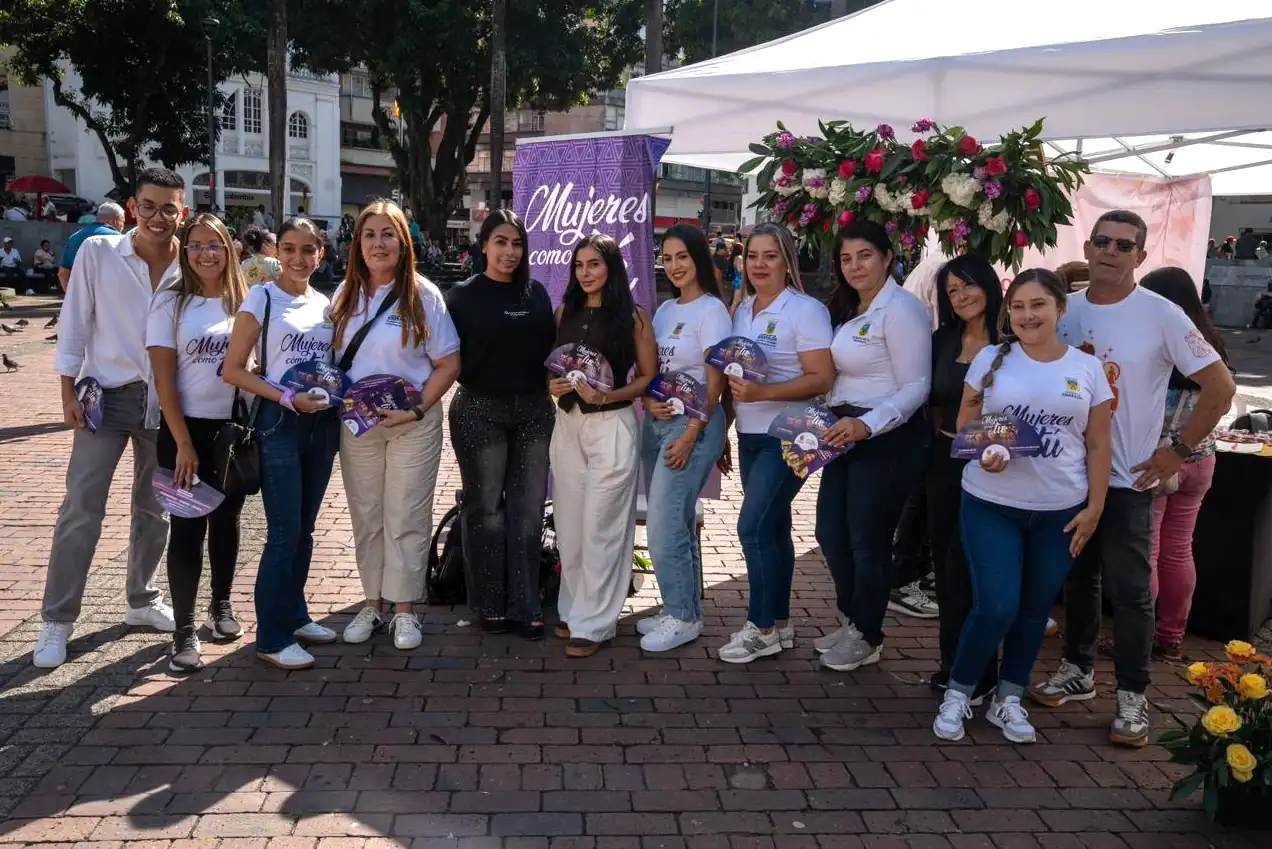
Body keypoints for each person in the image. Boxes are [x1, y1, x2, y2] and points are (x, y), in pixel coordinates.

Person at [1031, 210, 1236, 748]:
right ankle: (1077, 670)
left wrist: (1178, 450)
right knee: (1078, 580)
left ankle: (1132, 696)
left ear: (1140, 257)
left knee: (1130, 590)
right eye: (1102, 241)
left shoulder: (1162, 314)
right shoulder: (1064, 311)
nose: (1110, 251)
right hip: (1068, 475)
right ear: (1089, 246)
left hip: (1128, 479)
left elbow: (1219, 386)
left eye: (1124, 245)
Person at [933, 269, 1112, 744]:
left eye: (1038, 305)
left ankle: (1009, 698)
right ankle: (959, 691)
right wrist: (983, 449)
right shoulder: (992, 357)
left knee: (1033, 611)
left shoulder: (1087, 369)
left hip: (1060, 510)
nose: (1027, 315)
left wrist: (1095, 507)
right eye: (1018, 307)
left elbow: (1097, 445)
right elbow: (967, 418)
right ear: (1007, 312)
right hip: (992, 502)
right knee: (995, 606)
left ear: (1059, 309)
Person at [33, 168, 188, 669]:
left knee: (154, 508)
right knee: (82, 505)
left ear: (181, 211)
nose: (158, 216)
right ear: (131, 206)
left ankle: (141, 600)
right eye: (149, 206)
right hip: (106, 396)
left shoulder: (189, 263)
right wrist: (66, 392)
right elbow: (75, 323)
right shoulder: (100, 255)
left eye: (169, 208)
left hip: (164, 402)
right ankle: (57, 619)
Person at [332, 201, 460, 651]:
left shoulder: (423, 295)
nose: (378, 243)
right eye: (370, 235)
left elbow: (448, 363)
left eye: (388, 234)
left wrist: (418, 409)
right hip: (360, 425)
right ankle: (372, 604)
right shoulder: (344, 294)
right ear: (358, 244)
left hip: (412, 422)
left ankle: (404, 610)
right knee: (367, 514)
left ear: (403, 242)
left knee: (405, 514)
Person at [814, 221, 933, 673]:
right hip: (843, 434)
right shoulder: (850, 307)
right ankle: (854, 618)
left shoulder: (902, 309)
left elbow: (916, 385)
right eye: (846, 258)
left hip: (886, 438)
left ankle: (868, 632)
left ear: (887, 256)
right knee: (830, 532)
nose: (855, 266)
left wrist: (867, 424)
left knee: (868, 540)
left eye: (865, 255)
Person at [223, 217, 340, 671]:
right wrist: (285, 397)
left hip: (321, 426)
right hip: (278, 423)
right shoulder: (262, 297)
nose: (298, 258)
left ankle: (295, 614)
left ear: (321, 254)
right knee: (283, 532)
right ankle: (271, 636)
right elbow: (234, 369)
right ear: (277, 252)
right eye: (289, 249)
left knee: (305, 528)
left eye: (308, 250)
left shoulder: (327, 305)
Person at [718, 223, 834, 664]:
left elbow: (822, 378)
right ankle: (780, 622)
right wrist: (726, 430)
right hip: (749, 436)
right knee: (773, 528)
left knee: (751, 528)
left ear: (787, 261)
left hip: (789, 437)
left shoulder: (805, 311)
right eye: (753, 256)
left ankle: (760, 627)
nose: (760, 264)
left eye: (770, 256)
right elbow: (734, 378)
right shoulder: (742, 309)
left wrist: (764, 394)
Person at [145, 213, 251, 673]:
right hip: (182, 429)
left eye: (215, 245)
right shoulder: (170, 303)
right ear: (184, 251)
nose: (206, 253)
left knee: (227, 519)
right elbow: (164, 380)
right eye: (196, 245)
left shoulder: (243, 300)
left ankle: (221, 605)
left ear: (230, 250)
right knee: (188, 526)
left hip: (231, 430)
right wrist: (183, 441)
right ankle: (184, 630)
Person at [446, 210, 557, 639]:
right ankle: (490, 602)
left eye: (516, 244)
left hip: (533, 410)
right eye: (500, 242)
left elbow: (552, 351)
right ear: (484, 245)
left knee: (528, 512)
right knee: (486, 510)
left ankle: (526, 604)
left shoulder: (537, 294)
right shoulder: (461, 297)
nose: (509, 252)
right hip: (479, 409)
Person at [549, 234, 657, 658]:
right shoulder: (564, 312)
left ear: (611, 268)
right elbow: (551, 368)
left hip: (612, 425)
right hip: (568, 424)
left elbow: (648, 377)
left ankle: (596, 623)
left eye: (594, 264)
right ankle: (574, 609)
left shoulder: (633, 317)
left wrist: (609, 397)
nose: (586, 272)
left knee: (603, 528)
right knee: (571, 527)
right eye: (579, 265)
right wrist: (552, 385)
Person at [638, 225, 732, 652]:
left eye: (682, 257)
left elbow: (716, 384)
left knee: (661, 524)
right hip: (659, 423)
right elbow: (657, 372)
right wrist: (650, 400)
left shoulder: (712, 310)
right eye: (667, 257)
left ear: (699, 259)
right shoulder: (665, 311)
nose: (674, 266)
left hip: (692, 427)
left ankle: (681, 616)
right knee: (674, 521)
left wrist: (693, 432)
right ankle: (685, 606)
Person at [1139, 267, 1230, 661]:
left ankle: (1137, 638)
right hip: (1201, 457)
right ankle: (1171, 636)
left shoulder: (1159, 341)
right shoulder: (1211, 342)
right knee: (1178, 550)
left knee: (1149, 551)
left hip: (1161, 459)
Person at [925, 255, 1003, 700]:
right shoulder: (943, 339)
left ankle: (982, 672)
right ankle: (953, 665)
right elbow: (931, 397)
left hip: (997, 463)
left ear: (989, 285)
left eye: (967, 285)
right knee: (947, 566)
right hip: (945, 458)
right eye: (952, 291)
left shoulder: (1014, 340)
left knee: (979, 568)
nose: (961, 296)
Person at [59, 202, 126, 290]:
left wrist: (72, 297)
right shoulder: (119, 239)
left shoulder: (74, 237)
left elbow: (63, 274)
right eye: (123, 222)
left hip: (80, 297)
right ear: (115, 221)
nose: (123, 226)